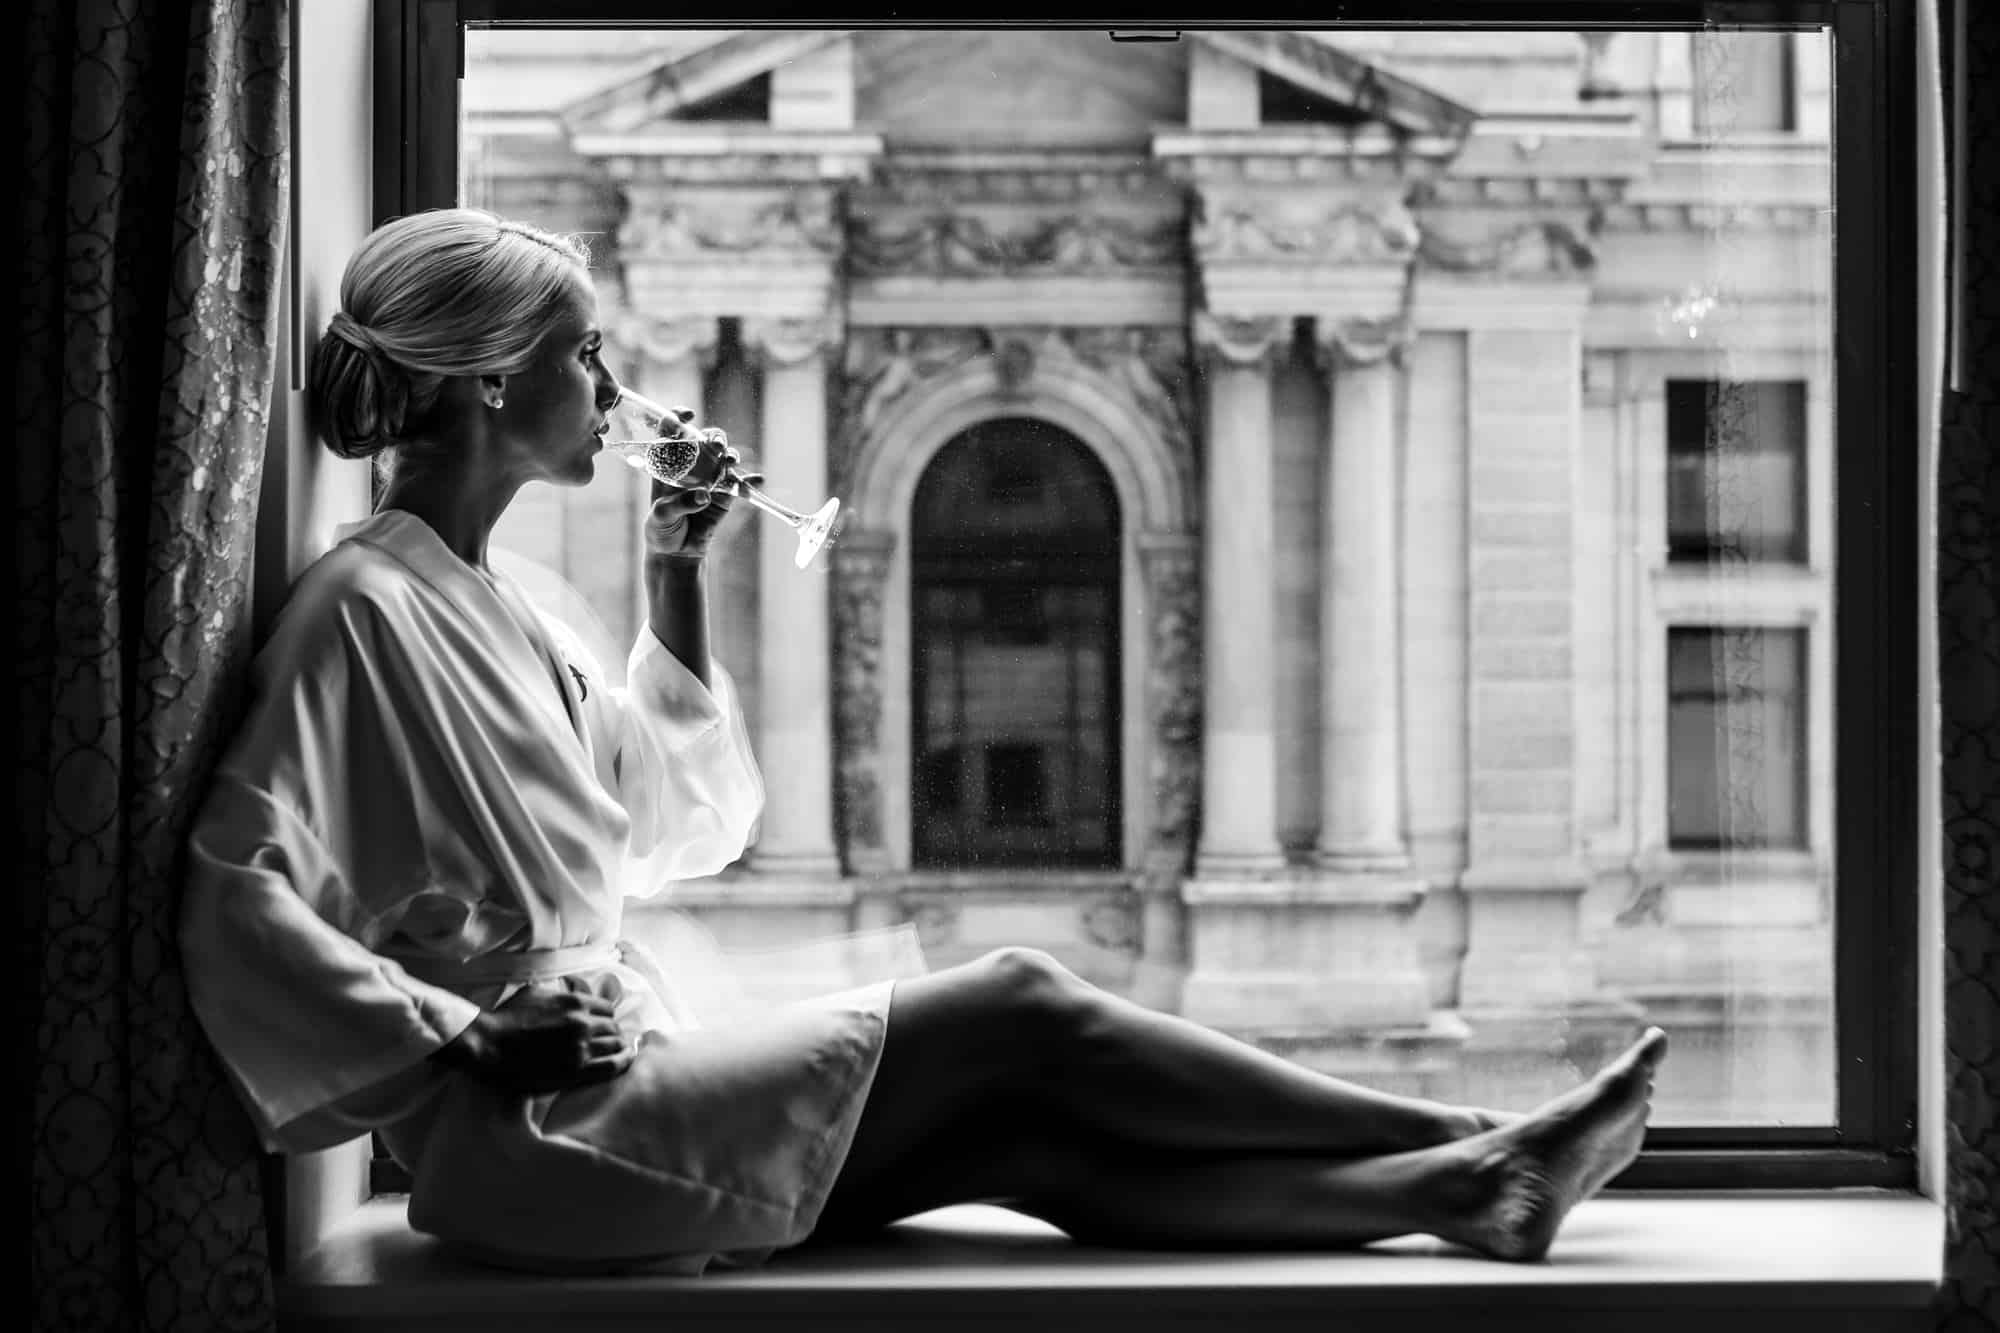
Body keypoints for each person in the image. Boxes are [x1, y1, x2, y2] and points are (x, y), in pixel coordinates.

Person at [179, 206, 1668, 1277]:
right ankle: (1474, 1123)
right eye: (589, 355)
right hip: (545, 1126)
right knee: (1020, 999)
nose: (618, 393)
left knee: (1021, 1152)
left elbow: (678, 827)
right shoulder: (359, 610)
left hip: (620, 1082)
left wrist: (679, 570)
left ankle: (1475, 1188)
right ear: (497, 381)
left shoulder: (514, 601)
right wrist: (459, 1033)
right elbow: (236, 892)